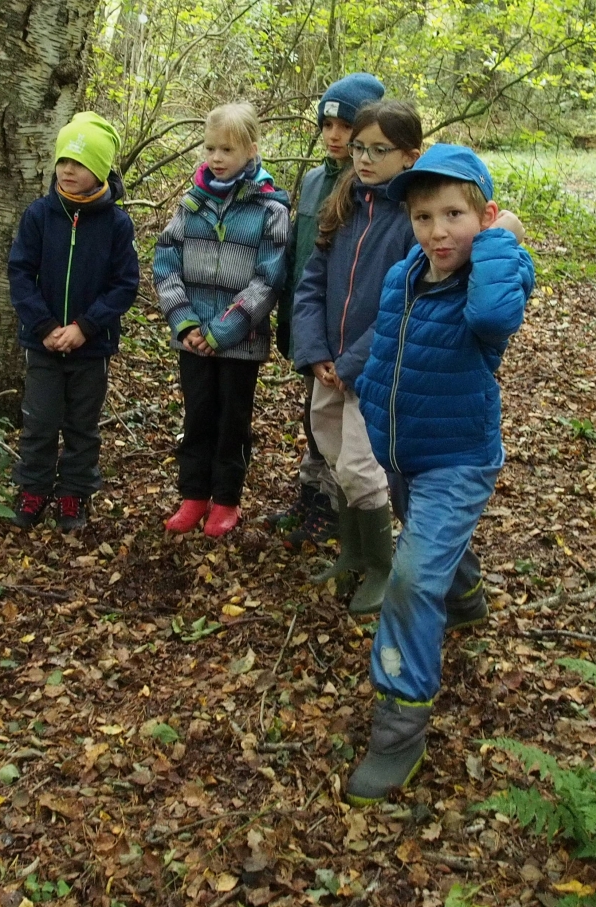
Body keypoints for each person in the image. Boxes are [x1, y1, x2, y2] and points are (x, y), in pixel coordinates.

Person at [345, 144, 534, 804]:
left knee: (409, 579)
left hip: (457, 458)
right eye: (424, 217)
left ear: (481, 213)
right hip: (401, 452)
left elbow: (491, 319)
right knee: (435, 552)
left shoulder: (494, 276)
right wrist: (360, 381)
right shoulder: (406, 273)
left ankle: (398, 735)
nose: (438, 231)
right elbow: (389, 338)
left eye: (455, 214)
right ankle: (467, 597)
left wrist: (502, 236)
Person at [292, 100, 421, 614]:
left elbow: (403, 307)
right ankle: (352, 552)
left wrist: (349, 365)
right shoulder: (345, 200)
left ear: (410, 155)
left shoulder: (412, 218)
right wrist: (316, 353)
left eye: (378, 150)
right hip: (330, 363)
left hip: (374, 371)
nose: (364, 159)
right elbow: (312, 281)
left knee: (363, 465)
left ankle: (382, 568)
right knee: (333, 453)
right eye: (360, 148)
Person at [154, 102, 291, 537]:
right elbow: (165, 262)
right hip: (192, 340)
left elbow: (269, 280)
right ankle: (193, 495)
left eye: (227, 149)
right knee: (197, 415)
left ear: (251, 151)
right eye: (210, 147)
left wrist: (222, 331)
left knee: (232, 420)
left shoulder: (270, 209)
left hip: (240, 342)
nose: (215, 157)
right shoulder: (191, 203)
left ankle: (226, 499)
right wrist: (188, 324)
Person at [8, 112, 140, 531]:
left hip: (91, 346)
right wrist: (45, 327)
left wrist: (85, 326)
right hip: (42, 343)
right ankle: (33, 489)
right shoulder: (39, 215)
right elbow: (19, 273)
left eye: (79, 163)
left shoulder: (116, 224)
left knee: (82, 425)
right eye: (63, 160)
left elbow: (124, 284)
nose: (67, 170)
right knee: (40, 421)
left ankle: (74, 495)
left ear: (99, 170)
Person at [270, 73, 385, 550]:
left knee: (342, 425)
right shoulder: (316, 179)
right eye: (327, 124)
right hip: (310, 320)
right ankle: (312, 494)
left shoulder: (364, 186)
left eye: (346, 126)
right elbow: (301, 256)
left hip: (350, 331)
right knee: (312, 415)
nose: (335, 136)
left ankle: (339, 507)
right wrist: (289, 321)